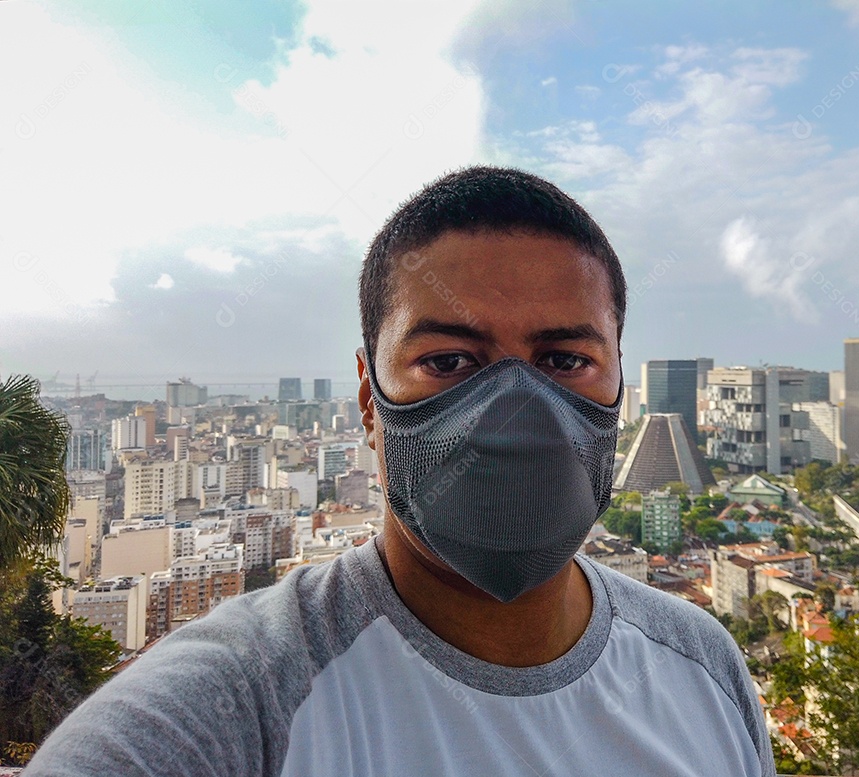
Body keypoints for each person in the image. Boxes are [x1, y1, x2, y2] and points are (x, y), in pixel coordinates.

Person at [26, 166, 776, 776]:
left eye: (563, 360)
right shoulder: (237, 706)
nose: (514, 411)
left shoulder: (702, 667)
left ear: (619, 388)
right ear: (368, 397)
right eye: (448, 361)